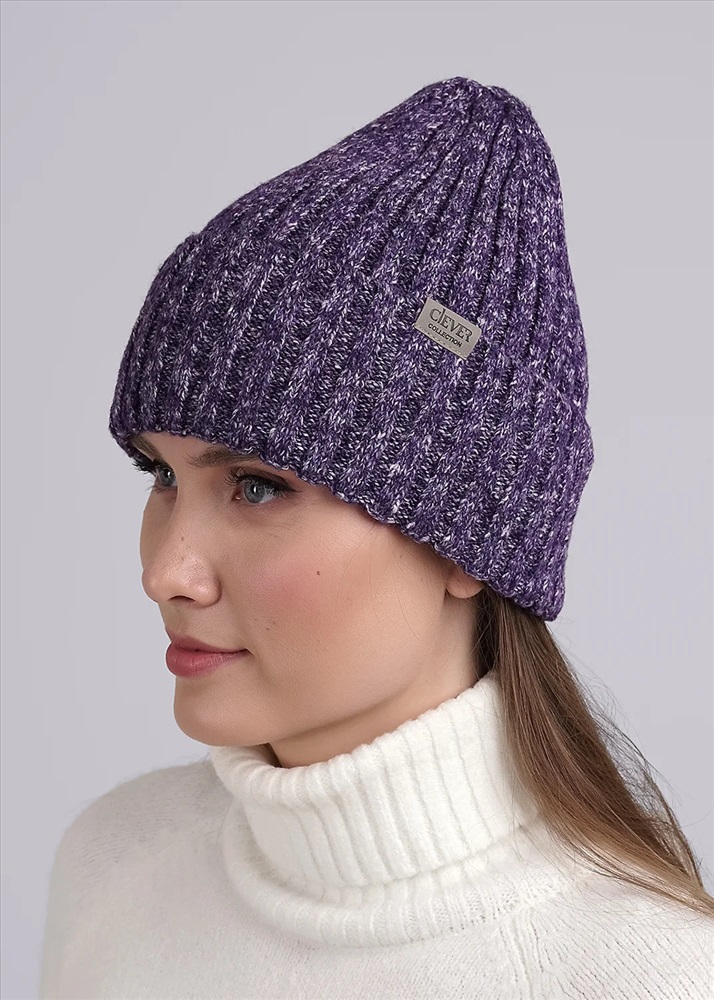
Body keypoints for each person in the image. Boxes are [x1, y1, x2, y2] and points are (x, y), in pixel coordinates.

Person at [38, 76, 713, 999]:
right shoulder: (112, 865)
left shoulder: (643, 974)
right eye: (160, 475)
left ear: (468, 545)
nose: (166, 572)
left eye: (258, 486)